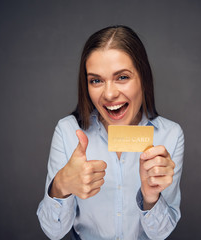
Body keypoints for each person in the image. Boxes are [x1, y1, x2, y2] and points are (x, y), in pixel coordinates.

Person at [37, 25, 184, 240]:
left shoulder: (170, 135)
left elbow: (160, 234)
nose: (109, 93)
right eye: (96, 80)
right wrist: (61, 185)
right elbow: (53, 232)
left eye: (122, 77)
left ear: (143, 77)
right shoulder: (68, 131)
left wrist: (151, 197)